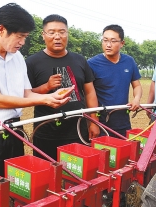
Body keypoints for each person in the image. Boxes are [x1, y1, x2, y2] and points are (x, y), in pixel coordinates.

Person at [0, 3, 73, 177]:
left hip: (13, 130)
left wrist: (52, 96)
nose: (23, 42)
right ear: (2, 29)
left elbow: (26, 93)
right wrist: (43, 100)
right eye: (20, 36)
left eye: (25, 37)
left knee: (15, 187)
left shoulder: (17, 57)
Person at [26, 14, 100, 160]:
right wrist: (46, 87)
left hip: (78, 128)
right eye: (52, 32)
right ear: (43, 35)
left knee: (77, 174)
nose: (57, 37)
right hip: (46, 131)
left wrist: (94, 122)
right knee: (47, 173)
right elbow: (26, 94)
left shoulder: (80, 60)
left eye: (62, 32)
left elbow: (90, 93)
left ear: (67, 34)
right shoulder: (32, 63)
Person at [88, 24, 142, 137]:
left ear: (122, 43)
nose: (108, 45)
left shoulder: (129, 61)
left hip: (123, 121)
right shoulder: (92, 64)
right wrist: (94, 123)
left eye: (113, 41)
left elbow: (136, 85)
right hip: (102, 123)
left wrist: (136, 99)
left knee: (125, 153)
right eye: (105, 40)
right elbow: (87, 95)